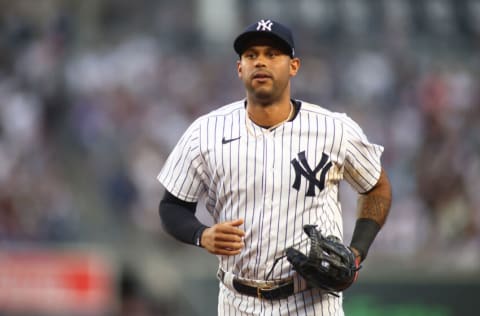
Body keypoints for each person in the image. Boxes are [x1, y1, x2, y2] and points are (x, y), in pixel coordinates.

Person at [157, 19, 392, 316]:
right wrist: (201, 235)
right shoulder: (204, 133)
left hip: (312, 302)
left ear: (294, 66)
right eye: (251, 55)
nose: (261, 62)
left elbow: (377, 188)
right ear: (239, 68)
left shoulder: (334, 130)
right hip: (236, 300)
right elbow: (171, 206)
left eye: (272, 54)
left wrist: (357, 253)